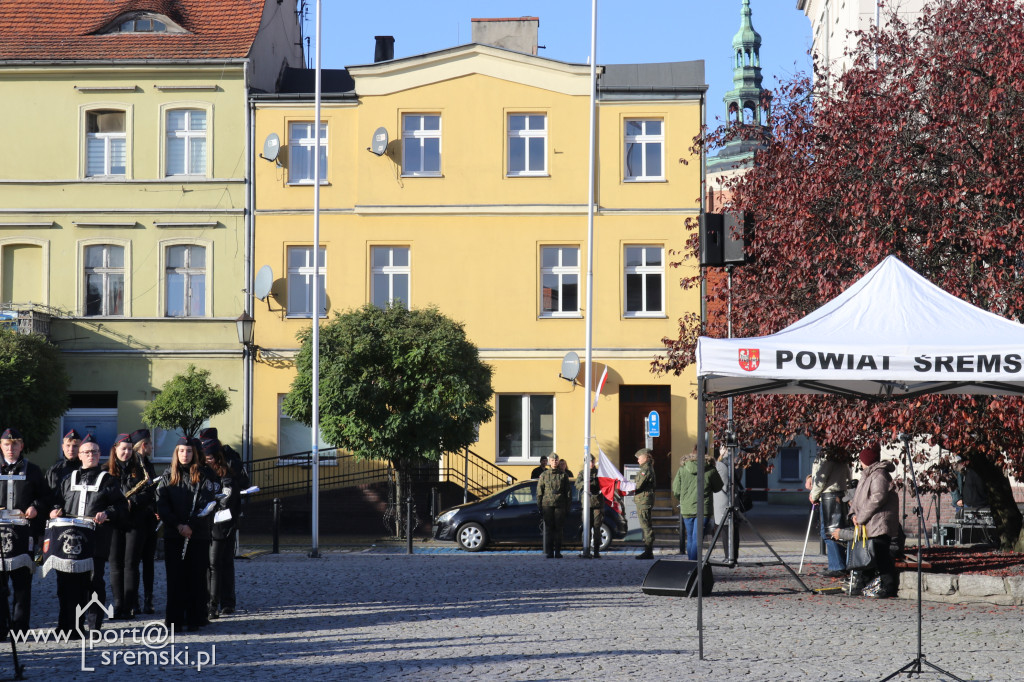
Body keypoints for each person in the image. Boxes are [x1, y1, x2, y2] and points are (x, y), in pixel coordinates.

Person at [49, 436, 128, 636]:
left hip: (95, 541)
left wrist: (107, 513)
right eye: (86, 452)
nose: (90, 455)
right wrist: (55, 510)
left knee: (93, 583)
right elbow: (57, 501)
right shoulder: (68, 479)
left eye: (94, 452)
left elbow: (121, 506)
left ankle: (93, 626)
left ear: (99, 455)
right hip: (68, 540)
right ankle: (67, 625)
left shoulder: (108, 480)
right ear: (80, 455)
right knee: (66, 584)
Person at [156, 437, 219, 630]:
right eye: (182, 451)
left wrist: (190, 525)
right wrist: (178, 525)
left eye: (189, 451)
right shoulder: (167, 476)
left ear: (194, 453)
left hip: (197, 535)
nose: (185, 454)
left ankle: (195, 618)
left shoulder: (203, 476)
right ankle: (174, 619)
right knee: (175, 578)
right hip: (174, 535)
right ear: (176, 453)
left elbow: (207, 503)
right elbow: (162, 505)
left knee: (196, 577)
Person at [832, 442, 900, 598]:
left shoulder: (879, 474)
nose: (859, 462)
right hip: (868, 523)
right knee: (866, 554)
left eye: (861, 459)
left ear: (866, 460)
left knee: (881, 556)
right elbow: (857, 499)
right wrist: (853, 514)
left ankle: (889, 586)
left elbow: (878, 498)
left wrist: (861, 516)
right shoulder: (866, 475)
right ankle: (864, 583)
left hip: (879, 523)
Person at [0, 428, 49, 639]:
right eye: (7, 444)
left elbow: (46, 497)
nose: (11, 448)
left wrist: (35, 507)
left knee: (22, 586)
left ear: (21, 446)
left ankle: (19, 629)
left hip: (23, 535)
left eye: (15, 444)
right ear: (1, 446)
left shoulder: (34, 470)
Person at [106, 433, 153, 620]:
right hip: (114, 522)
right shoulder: (105, 471)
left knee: (131, 563)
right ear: (115, 449)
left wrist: (133, 501)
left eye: (128, 449)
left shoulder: (141, 470)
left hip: (135, 521)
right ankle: (118, 604)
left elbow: (149, 494)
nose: (126, 452)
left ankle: (129, 606)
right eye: (122, 449)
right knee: (115, 564)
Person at [203, 438, 236, 619]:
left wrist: (213, 506)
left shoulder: (225, 474)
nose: (207, 460)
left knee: (218, 564)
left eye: (209, 457)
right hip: (204, 524)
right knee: (209, 565)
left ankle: (217, 603)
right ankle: (209, 601)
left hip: (220, 525)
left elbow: (226, 499)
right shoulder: (202, 472)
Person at [809, 445, 853, 578]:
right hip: (840, 494)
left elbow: (822, 477)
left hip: (829, 495)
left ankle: (837, 566)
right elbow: (847, 475)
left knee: (829, 532)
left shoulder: (827, 453)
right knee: (838, 531)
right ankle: (840, 563)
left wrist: (814, 495)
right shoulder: (841, 452)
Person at [673, 448, 724, 561]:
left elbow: (676, 490)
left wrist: (684, 499)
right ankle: (695, 565)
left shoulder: (683, 469)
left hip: (687, 508)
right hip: (703, 508)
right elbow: (718, 487)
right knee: (697, 538)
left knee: (690, 537)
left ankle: (691, 564)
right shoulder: (711, 469)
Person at [129, 429, 159, 614]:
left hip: (150, 519)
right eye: (150, 444)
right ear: (144, 445)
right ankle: (134, 600)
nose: (152, 447)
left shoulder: (148, 464)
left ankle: (148, 599)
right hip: (136, 519)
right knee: (133, 562)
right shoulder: (133, 465)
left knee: (149, 561)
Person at [536, 453, 570, 558]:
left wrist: (568, 506)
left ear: (558, 461)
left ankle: (558, 552)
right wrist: (539, 505)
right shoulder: (544, 475)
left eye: (556, 460)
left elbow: (568, 492)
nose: (554, 462)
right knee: (549, 529)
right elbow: (539, 491)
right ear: (549, 462)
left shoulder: (563, 475)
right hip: (547, 504)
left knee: (559, 529)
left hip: (560, 504)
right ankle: (550, 552)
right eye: (552, 460)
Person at [712, 447, 742, 561]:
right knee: (735, 530)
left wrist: (720, 457)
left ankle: (728, 556)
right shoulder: (737, 465)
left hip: (723, 503)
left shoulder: (720, 465)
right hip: (735, 500)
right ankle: (734, 556)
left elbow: (715, 477)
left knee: (725, 531)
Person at [575, 455, 604, 558]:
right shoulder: (582, 473)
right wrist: (585, 482)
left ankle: (596, 551)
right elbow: (577, 484)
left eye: (592, 461)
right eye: (589, 461)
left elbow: (605, 485)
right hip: (587, 504)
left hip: (597, 504)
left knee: (597, 528)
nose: (591, 463)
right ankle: (586, 550)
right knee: (586, 528)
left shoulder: (599, 473)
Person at [634, 448, 657, 560]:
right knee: (646, 525)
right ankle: (648, 550)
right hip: (643, 500)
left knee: (646, 526)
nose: (638, 460)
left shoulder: (646, 469)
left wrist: (628, 486)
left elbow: (638, 485)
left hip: (644, 500)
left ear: (645, 457)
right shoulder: (645, 468)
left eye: (639, 458)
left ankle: (648, 551)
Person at [46, 428, 81, 493]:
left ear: (81, 448)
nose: (71, 449)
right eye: (68, 445)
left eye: (75, 446)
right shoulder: (54, 470)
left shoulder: (84, 469)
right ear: (63, 447)